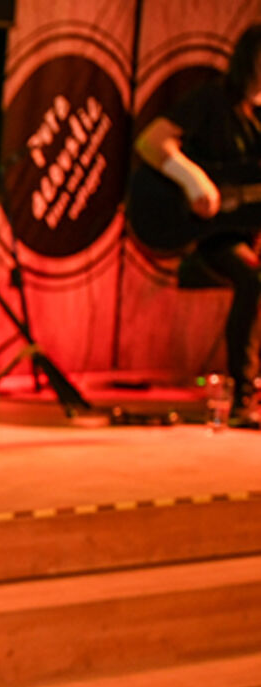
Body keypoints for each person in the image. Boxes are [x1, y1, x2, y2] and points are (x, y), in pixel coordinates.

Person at [135, 23, 261, 425]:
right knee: (253, 279)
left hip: (238, 229)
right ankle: (243, 398)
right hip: (198, 230)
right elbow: (151, 141)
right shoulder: (213, 99)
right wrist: (193, 180)